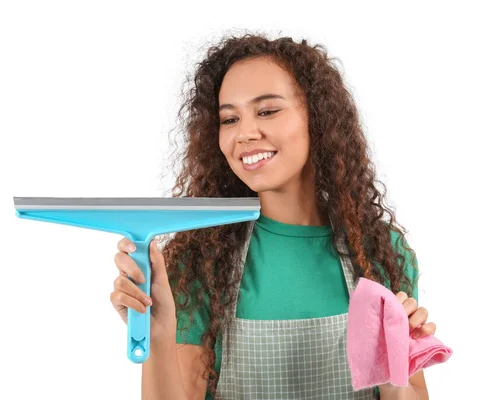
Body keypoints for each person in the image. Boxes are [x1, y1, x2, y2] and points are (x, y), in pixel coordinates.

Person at [110, 32, 437, 400]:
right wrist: (158, 336)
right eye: (229, 119)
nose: (245, 133)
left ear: (317, 118)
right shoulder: (201, 261)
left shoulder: (380, 251)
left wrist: (392, 369)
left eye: (267, 111)